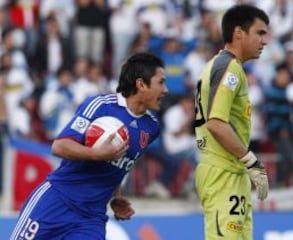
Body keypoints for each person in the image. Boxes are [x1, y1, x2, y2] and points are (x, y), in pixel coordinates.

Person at [10, 52, 168, 239]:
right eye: (160, 83)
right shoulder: (100, 106)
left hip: (90, 219)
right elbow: (59, 146)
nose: (165, 90)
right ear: (141, 84)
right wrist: (97, 154)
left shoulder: (151, 128)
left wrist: (116, 196)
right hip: (56, 201)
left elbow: (120, 164)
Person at [194, 5, 270, 240]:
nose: (264, 41)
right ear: (239, 32)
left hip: (231, 172)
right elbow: (216, 123)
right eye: (259, 33)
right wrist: (251, 161)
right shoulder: (229, 68)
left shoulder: (227, 66)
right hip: (222, 172)